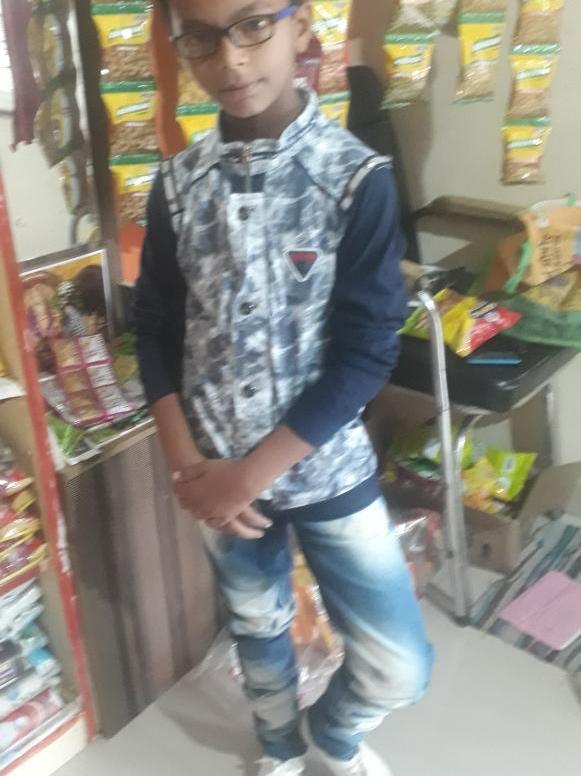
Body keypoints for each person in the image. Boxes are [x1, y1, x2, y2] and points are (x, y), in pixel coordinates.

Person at [135, 2, 433, 775]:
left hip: (324, 466)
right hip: (213, 471)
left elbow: (367, 350)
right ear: (178, 45)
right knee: (255, 624)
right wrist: (186, 463)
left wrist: (251, 474)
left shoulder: (353, 177)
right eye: (200, 38)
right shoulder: (177, 184)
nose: (230, 60)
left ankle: (332, 734)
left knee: (400, 664)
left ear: (300, 26)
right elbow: (154, 329)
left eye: (252, 25)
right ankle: (276, 748)